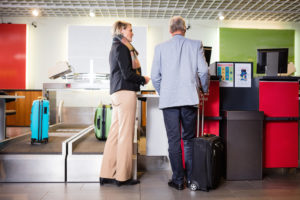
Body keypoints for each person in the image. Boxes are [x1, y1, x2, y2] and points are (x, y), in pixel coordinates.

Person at [151, 16, 209, 190]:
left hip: (169, 102)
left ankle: (177, 180)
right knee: (189, 141)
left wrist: (165, 92)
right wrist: (203, 89)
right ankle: (191, 180)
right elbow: (204, 71)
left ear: (170, 30)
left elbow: (155, 76)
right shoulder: (196, 44)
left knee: (174, 141)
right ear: (184, 29)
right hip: (189, 100)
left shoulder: (160, 48)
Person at [100, 20, 150, 186]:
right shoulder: (122, 47)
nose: (132, 32)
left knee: (115, 134)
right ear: (122, 30)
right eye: (130, 30)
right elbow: (127, 74)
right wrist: (144, 79)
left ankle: (106, 173)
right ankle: (122, 176)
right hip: (125, 92)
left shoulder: (115, 46)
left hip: (116, 93)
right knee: (125, 135)